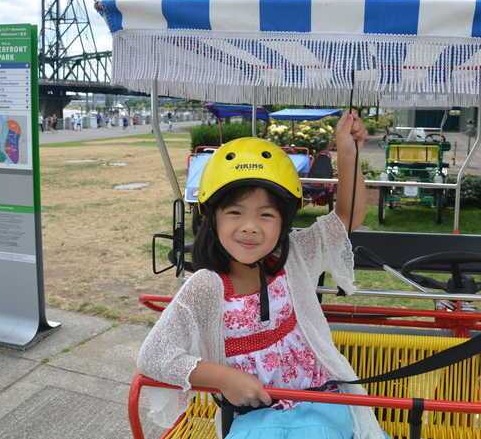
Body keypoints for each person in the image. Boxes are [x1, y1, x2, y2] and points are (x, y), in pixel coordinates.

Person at [137, 113, 386, 439]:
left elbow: (346, 216)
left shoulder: (294, 258)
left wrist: (348, 152)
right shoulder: (205, 288)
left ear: (283, 222)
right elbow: (153, 356)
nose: (250, 227)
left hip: (318, 399)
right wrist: (223, 378)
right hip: (252, 417)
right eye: (235, 213)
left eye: (266, 215)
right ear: (212, 219)